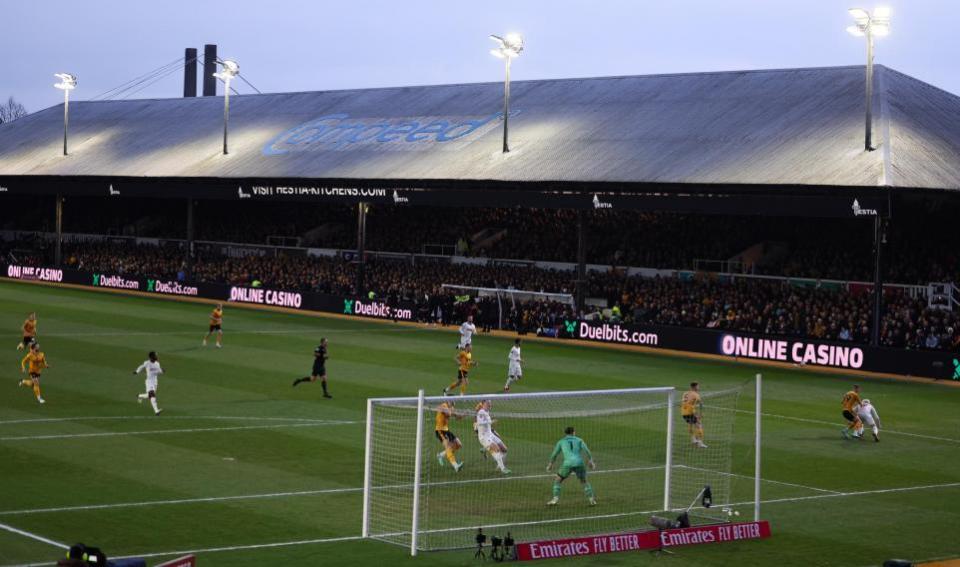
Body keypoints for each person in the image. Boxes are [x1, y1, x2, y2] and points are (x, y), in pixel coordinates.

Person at [546, 426, 596, 506]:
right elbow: (587, 451)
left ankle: (555, 499)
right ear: (573, 432)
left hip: (567, 464)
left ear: (565, 433)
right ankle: (591, 499)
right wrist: (591, 461)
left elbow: (554, 454)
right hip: (579, 463)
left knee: (558, 480)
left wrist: (550, 464)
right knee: (584, 481)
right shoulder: (579, 440)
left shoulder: (561, 441)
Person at [475, 399, 510, 474]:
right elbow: (479, 423)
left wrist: (494, 432)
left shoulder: (487, 412)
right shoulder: (481, 412)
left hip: (491, 435)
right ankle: (503, 468)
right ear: (483, 404)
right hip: (484, 437)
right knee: (497, 450)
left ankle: (496, 459)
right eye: (488, 404)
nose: (490, 405)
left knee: (504, 449)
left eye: (490, 404)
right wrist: (491, 422)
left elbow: (488, 426)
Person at [435, 400, 464, 472]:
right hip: (440, 430)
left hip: (446, 430)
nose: (454, 402)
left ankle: (441, 455)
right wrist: (452, 410)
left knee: (458, 444)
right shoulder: (444, 405)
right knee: (448, 447)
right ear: (449, 401)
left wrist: (464, 414)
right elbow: (448, 413)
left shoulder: (451, 407)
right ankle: (456, 466)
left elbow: (457, 417)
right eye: (453, 401)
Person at [133, 351, 164, 416]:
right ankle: (156, 411)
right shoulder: (147, 363)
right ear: (151, 357)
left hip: (155, 382)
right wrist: (137, 371)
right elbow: (141, 367)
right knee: (152, 394)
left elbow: (158, 372)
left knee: (149, 396)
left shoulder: (157, 364)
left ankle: (139, 396)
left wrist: (162, 371)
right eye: (155, 355)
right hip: (149, 382)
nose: (157, 357)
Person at [681, 382, 707, 448]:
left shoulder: (685, 393)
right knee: (699, 425)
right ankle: (700, 443)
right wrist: (700, 413)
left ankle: (693, 439)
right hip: (690, 412)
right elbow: (701, 404)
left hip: (683, 412)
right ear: (694, 387)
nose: (699, 388)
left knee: (690, 424)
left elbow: (685, 402)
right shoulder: (696, 395)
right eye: (698, 386)